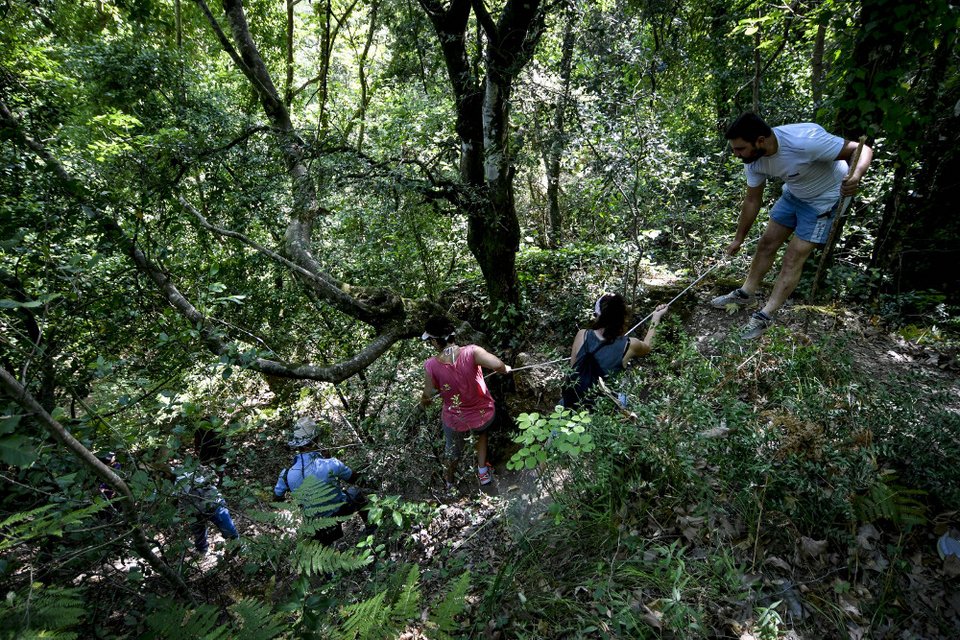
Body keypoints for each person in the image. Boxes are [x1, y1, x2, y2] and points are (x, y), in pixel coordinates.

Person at [711, 112, 873, 339]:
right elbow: (752, 200)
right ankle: (746, 293)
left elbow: (863, 149)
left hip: (824, 201)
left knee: (793, 257)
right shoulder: (752, 160)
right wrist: (739, 238)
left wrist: (855, 175)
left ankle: (765, 316)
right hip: (794, 195)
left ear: (760, 141)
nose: (736, 154)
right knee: (767, 243)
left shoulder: (805, 141)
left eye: (739, 149)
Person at [419, 316, 511, 488]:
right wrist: (505, 369)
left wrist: (424, 403)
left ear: (435, 341)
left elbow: (428, 395)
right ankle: (483, 473)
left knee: (453, 452)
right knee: (482, 432)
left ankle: (449, 483)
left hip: (456, 421)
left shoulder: (431, 365)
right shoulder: (472, 352)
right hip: (484, 415)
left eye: (430, 340)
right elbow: (497, 364)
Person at [273, 416, 371, 545]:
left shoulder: (286, 475)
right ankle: (372, 531)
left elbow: (276, 499)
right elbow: (356, 480)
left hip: (315, 523)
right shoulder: (331, 464)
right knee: (356, 493)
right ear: (316, 440)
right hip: (339, 511)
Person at [561, 294, 668, 409]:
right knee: (624, 398)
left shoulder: (582, 334)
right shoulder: (629, 345)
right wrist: (656, 317)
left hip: (571, 403)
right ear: (622, 318)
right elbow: (648, 346)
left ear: (598, 316)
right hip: (600, 409)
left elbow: (572, 372)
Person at [174, 464, 240, 555]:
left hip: (212, 502)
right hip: (192, 509)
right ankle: (202, 552)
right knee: (198, 532)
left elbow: (205, 480)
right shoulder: (165, 484)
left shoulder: (182, 471)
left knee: (228, 528)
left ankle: (237, 546)